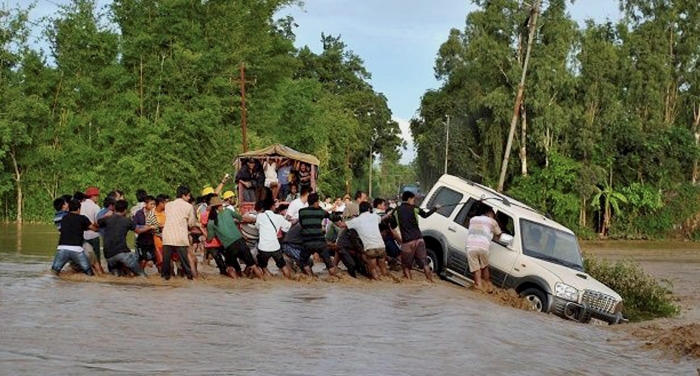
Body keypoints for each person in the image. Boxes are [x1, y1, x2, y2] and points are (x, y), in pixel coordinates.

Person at [207, 197, 264, 279]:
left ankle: (237, 282)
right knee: (253, 266)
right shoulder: (228, 211)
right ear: (221, 205)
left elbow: (210, 238)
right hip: (241, 242)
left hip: (229, 247)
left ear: (211, 207)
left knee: (229, 267)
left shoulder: (211, 222)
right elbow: (241, 218)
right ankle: (263, 282)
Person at [391, 191, 439, 282]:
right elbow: (425, 215)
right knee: (425, 263)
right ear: (409, 199)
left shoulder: (396, 210)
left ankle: (409, 284)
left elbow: (392, 226)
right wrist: (435, 208)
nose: (414, 201)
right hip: (419, 239)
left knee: (405, 265)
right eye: (413, 199)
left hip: (408, 242)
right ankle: (431, 282)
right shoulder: (415, 208)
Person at [98, 200, 154, 277]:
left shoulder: (107, 219)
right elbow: (138, 231)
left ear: (115, 208)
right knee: (142, 275)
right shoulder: (127, 220)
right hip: (122, 253)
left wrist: (106, 215)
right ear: (125, 210)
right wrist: (150, 226)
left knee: (116, 278)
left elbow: (97, 223)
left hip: (108, 255)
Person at [298, 193, 340, 277]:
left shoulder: (301, 212)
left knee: (302, 261)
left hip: (307, 242)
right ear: (316, 202)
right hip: (320, 242)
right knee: (328, 262)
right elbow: (333, 217)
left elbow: (302, 224)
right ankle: (335, 275)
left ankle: (310, 276)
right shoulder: (321, 212)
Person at [51, 199, 97, 276]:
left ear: (69, 208)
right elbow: (94, 228)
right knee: (89, 274)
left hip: (62, 249)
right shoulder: (82, 218)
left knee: (54, 272)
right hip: (77, 250)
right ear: (79, 209)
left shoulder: (64, 218)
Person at [161, 186, 198, 280]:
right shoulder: (188, 206)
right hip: (180, 237)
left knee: (166, 263)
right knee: (185, 262)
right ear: (183, 195)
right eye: (188, 196)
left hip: (167, 236)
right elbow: (191, 223)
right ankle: (190, 279)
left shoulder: (168, 205)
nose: (189, 198)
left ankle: (165, 279)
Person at [345, 202, 389, 280]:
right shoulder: (375, 216)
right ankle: (387, 282)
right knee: (383, 268)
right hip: (381, 246)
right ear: (369, 209)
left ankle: (377, 283)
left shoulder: (356, 220)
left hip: (370, 248)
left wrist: (335, 220)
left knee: (373, 269)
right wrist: (388, 214)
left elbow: (342, 225)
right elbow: (382, 218)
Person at [466, 206, 502, 292]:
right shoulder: (493, 222)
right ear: (491, 215)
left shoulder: (473, 219)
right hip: (483, 247)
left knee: (476, 268)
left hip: (470, 246)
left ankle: (478, 285)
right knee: (484, 267)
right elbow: (499, 235)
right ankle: (487, 286)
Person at [255, 199, 293, 278]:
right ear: (272, 207)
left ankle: (269, 280)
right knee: (283, 266)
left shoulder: (260, 216)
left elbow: (257, 227)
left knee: (263, 266)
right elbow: (288, 226)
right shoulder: (279, 217)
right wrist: (293, 221)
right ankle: (290, 281)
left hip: (263, 248)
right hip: (275, 247)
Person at [200, 196, 229, 277]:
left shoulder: (218, 213)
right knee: (222, 265)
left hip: (218, 242)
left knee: (226, 263)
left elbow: (202, 227)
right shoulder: (205, 214)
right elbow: (202, 227)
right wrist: (208, 236)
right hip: (214, 243)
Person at [133, 195, 157, 270]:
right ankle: (140, 277)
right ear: (145, 204)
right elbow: (134, 227)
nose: (153, 206)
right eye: (151, 204)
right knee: (142, 260)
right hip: (141, 241)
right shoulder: (139, 213)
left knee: (156, 260)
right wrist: (147, 227)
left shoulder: (156, 213)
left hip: (153, 241)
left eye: (154, 204)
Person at [81, 187, 102, 265]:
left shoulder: (80, 205)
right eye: (97, 196)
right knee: (96, 259)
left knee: (84, 258)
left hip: (82, 235)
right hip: (93, 235)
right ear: (93, 196)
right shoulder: (96, 207)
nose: (98, 198)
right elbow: (98, 222)